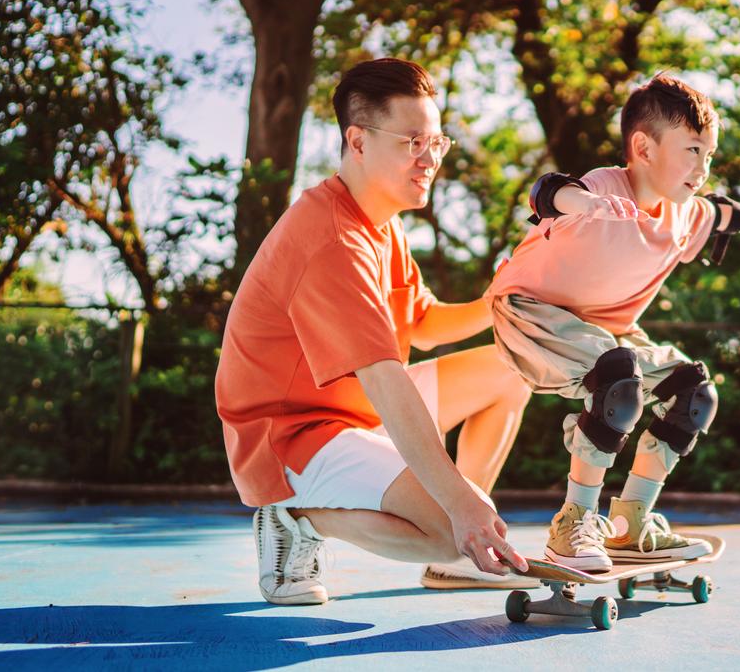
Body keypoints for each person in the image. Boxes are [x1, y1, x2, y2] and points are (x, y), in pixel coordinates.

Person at [486, 73, 740, 572]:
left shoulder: (686, 214)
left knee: (691, 390)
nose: (704, 168)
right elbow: (548, 191)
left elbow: (728, 217)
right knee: (616, 377)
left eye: (711, 155)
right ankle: (573, 524)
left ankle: (631, 524)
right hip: (530, 314)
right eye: (694, 151)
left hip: (605, 331)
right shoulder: (606, 186)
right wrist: (586, 205)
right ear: (644, 148)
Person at [215, 58, 536, 604]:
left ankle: (468, 534)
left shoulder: (380, 222)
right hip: (293, 437)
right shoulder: (334, 239)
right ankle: (298, 516)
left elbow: (427, 325)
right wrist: (458, 502)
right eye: (413, 141)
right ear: (357, 142)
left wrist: (501, 299)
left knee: (510, 371)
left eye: (437, 143)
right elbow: (387, 380)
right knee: (444, 532)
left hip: (356, 411)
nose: (430, 158)